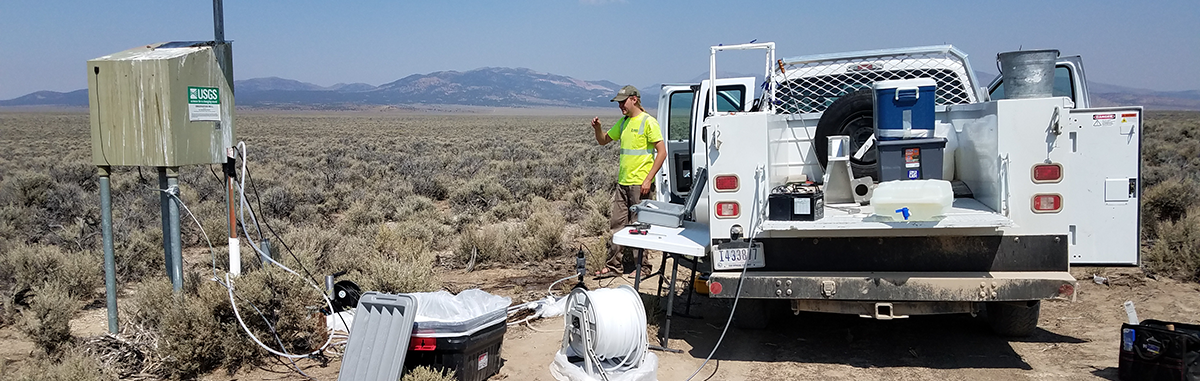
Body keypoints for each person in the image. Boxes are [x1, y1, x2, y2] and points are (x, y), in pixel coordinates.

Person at [589, 85, 667, 277]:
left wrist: (648, 179)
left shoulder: (648, 122)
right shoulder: (623, 123)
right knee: (617, 224)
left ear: (634, 99)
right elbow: (603, 140)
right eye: (619, 103)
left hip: (640, 184)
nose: (621, 106)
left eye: (623, 102)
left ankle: (643, 268)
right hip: (623, 183)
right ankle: (614, 267)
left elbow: (662, 152)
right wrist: (598, 129)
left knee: (639, 226)